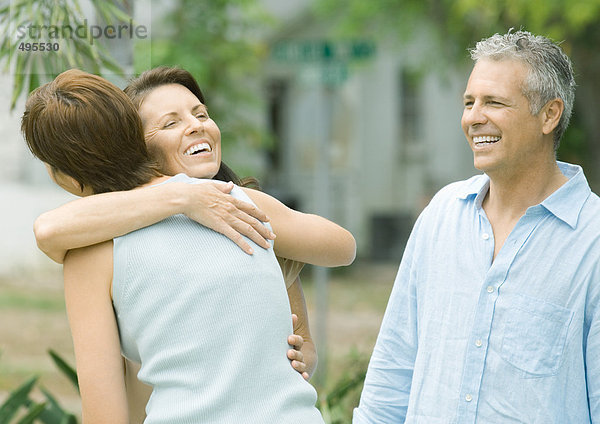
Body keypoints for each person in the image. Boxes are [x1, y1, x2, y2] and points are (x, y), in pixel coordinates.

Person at [22, 69, 356, 423]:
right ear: (136, 140)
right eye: (170, 123)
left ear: (66, 176)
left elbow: (107, 416)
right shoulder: (240, 204)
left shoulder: (90, 254)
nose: (194, 126)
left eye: (200, 114)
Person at [354, 29, 600, 423]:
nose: (473, 117)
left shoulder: (593, 242)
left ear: (549, 115)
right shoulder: (441, 216)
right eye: (469, 102)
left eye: (494, 102)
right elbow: (394, 370)